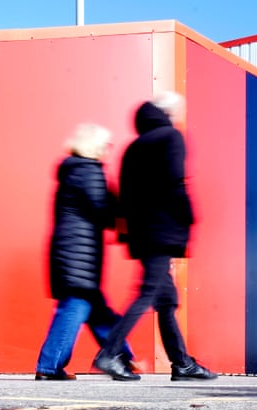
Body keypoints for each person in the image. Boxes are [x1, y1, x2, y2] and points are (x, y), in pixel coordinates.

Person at [92, 92, 217, 382]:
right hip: (163, 230)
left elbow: (124, 196)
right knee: (148, 292)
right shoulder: (171, 137)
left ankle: (182, 363)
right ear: (169, 114)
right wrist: (188, 217)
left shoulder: (133, 147)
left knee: (166, 299)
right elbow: (175, 181)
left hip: (141, 233)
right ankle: (109, 353)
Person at [35, 123, 133, 380]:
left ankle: (121, 355)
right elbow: (102, 211)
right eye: (106, 145)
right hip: (78, 257)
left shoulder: (74, 169)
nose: (108, 150)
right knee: (74, 308)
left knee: (98, 310)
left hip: (73, 254)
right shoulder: (87, 170)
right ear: (95, 145)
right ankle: (49, 366)